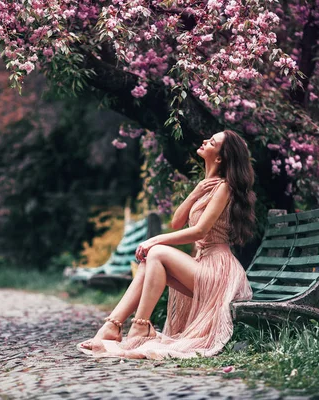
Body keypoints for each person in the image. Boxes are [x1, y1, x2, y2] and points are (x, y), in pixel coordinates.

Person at [77, 130, 256, 359]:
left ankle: (140, 326)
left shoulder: (224, 187)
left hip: (218, 271)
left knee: (157, 252)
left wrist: (154, 239)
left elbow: (199, 231)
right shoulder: (207, 187)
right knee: (149, 262)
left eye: (211, 142)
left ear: (220, 158)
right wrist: (195, 192)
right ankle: (113, 326)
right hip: (204, 265)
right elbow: (176, 222)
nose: (204, 141)